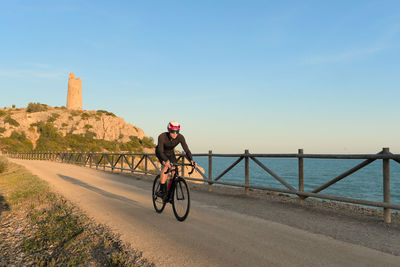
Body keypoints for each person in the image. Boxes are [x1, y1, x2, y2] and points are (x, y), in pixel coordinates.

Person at [155, 121, 197, 199]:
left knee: (174, 172)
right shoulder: (162, 136)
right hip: (161, 152)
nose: (175, 134)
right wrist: (166, 161)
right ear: (168, 130)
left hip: (170, 153)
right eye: (172, 131)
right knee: (166, 167)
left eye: (177, 131)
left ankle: (169, 193)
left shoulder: (180, 137)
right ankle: (162, 191)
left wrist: (191, 160)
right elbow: (160, 151)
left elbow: (187, 150)